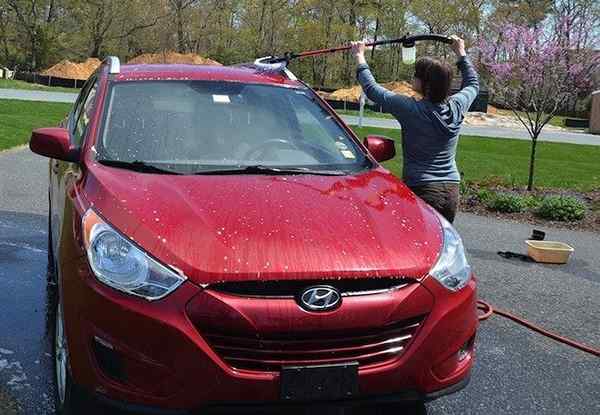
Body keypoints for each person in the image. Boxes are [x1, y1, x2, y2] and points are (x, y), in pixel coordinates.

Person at [351, 36, 479, 223]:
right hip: (451, 191)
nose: (413, 77)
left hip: (422, 190)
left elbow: (372, 89)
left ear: (425, 84)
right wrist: (461, 52)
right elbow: (473, 84)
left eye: (416, 74)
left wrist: (359, 55)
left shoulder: (411, 109)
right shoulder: (457, 106)